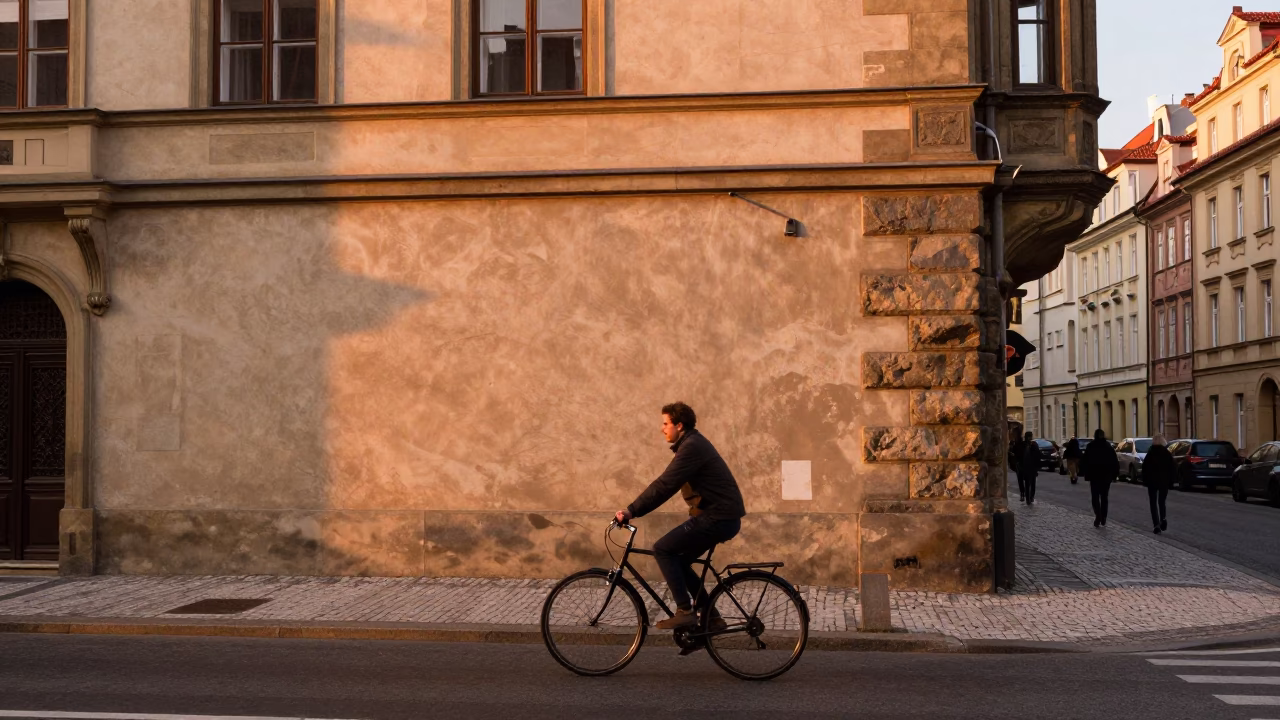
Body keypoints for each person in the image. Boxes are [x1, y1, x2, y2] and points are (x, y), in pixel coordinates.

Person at [615, 402, 747, 631]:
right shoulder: (692, 444)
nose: (662, 428)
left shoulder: (692, 447)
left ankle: (685, 611)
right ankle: (711, 618)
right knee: (680, 560)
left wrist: (632, 510)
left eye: (666, 423)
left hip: (719, 517)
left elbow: (666, 484)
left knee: (663, 549)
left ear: (679, 424)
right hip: (719, 516)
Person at [1082, 428, 1119, 527]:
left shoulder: (1091, 446)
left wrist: (1085, 473)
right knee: (1104, 497)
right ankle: (1103, 517)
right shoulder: (1108, 447)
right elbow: (1114, 462)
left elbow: (1085, 461)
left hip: (1094, 476)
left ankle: (1098, 515)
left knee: (1095, 497)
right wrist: (1115, 475)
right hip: (1106, 476)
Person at [1142, 434, 1175, 534]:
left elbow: (1145, 468)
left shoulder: (1150, 453)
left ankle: (1156, 525)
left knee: (1153, 503)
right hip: (1163, 482)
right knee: (1162, 502)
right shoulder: (1166, 453)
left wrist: (1145, 480)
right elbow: (1173, 468)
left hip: (1152, 482)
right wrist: (1171, 481)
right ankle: (1163, 519)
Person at [1017, 431, 1040, 504]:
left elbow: (1019, 456)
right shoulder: (1032, 444)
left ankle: (1029, 497)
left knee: (1029, 482)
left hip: (1027, 466)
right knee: (1031, 482)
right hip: (1030, 467)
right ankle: (1030, 497)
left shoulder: (1025, 445)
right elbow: (1038, 455)